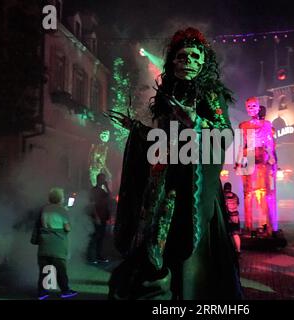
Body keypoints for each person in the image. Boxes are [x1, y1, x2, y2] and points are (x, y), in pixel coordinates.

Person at [107, 27, 242, 300]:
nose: (189, 61)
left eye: (195, 56)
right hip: (165, 188)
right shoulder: (166, 94)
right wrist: (136, 130)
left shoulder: (211, 94)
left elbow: (224, 135)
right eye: (182, 56)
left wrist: (196, 123)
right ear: (172, 61)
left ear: (204, 62)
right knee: (156, 251)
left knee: (194, 264)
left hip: (195, 188)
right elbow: (162, 140)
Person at [236, 100, 277, 235]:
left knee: (265, 193)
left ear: (259, 108)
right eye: (249, 106)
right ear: (246, 109)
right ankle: (249, 227)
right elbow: (242, 145)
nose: (251, 108)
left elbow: (270, 145)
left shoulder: (266, 125)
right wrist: (238, 162)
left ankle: (267, 226)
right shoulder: (244, 126)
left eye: (254, 106)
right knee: (248, 193)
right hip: (249, 157)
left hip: (262, 158)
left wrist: (273, 161)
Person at [37, 188, 77, 300]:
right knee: (61, 270)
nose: (64, 198)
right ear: (59, 198)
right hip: (58, 244)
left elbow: (43, 224)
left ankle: (42, 292)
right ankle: (65, 291)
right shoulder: (62, 210)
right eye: (63, 196)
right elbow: (67, 228)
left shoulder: (44, 209)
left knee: (45, 269)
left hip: (44, 243)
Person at [87, 173, 111, 263]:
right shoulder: (93, 190)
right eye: (102, 179)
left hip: (103, 217)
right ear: (98, 180)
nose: (104, 181)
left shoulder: (102, 191)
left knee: (101, 237)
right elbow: (91, 205)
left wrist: (107, 186)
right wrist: (96, 217)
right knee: (95, 237)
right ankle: (90, 257)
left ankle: (98, 255)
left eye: (104, 179)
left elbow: (109, 196)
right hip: (96, 217)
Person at [223, 182, 241, 255]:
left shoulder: (223, 196)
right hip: (236, 217)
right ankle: (238, 250)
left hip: (228, 217)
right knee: (236, 235)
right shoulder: (235, 195)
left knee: (227, 234)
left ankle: (228, 251)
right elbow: (238, 204)